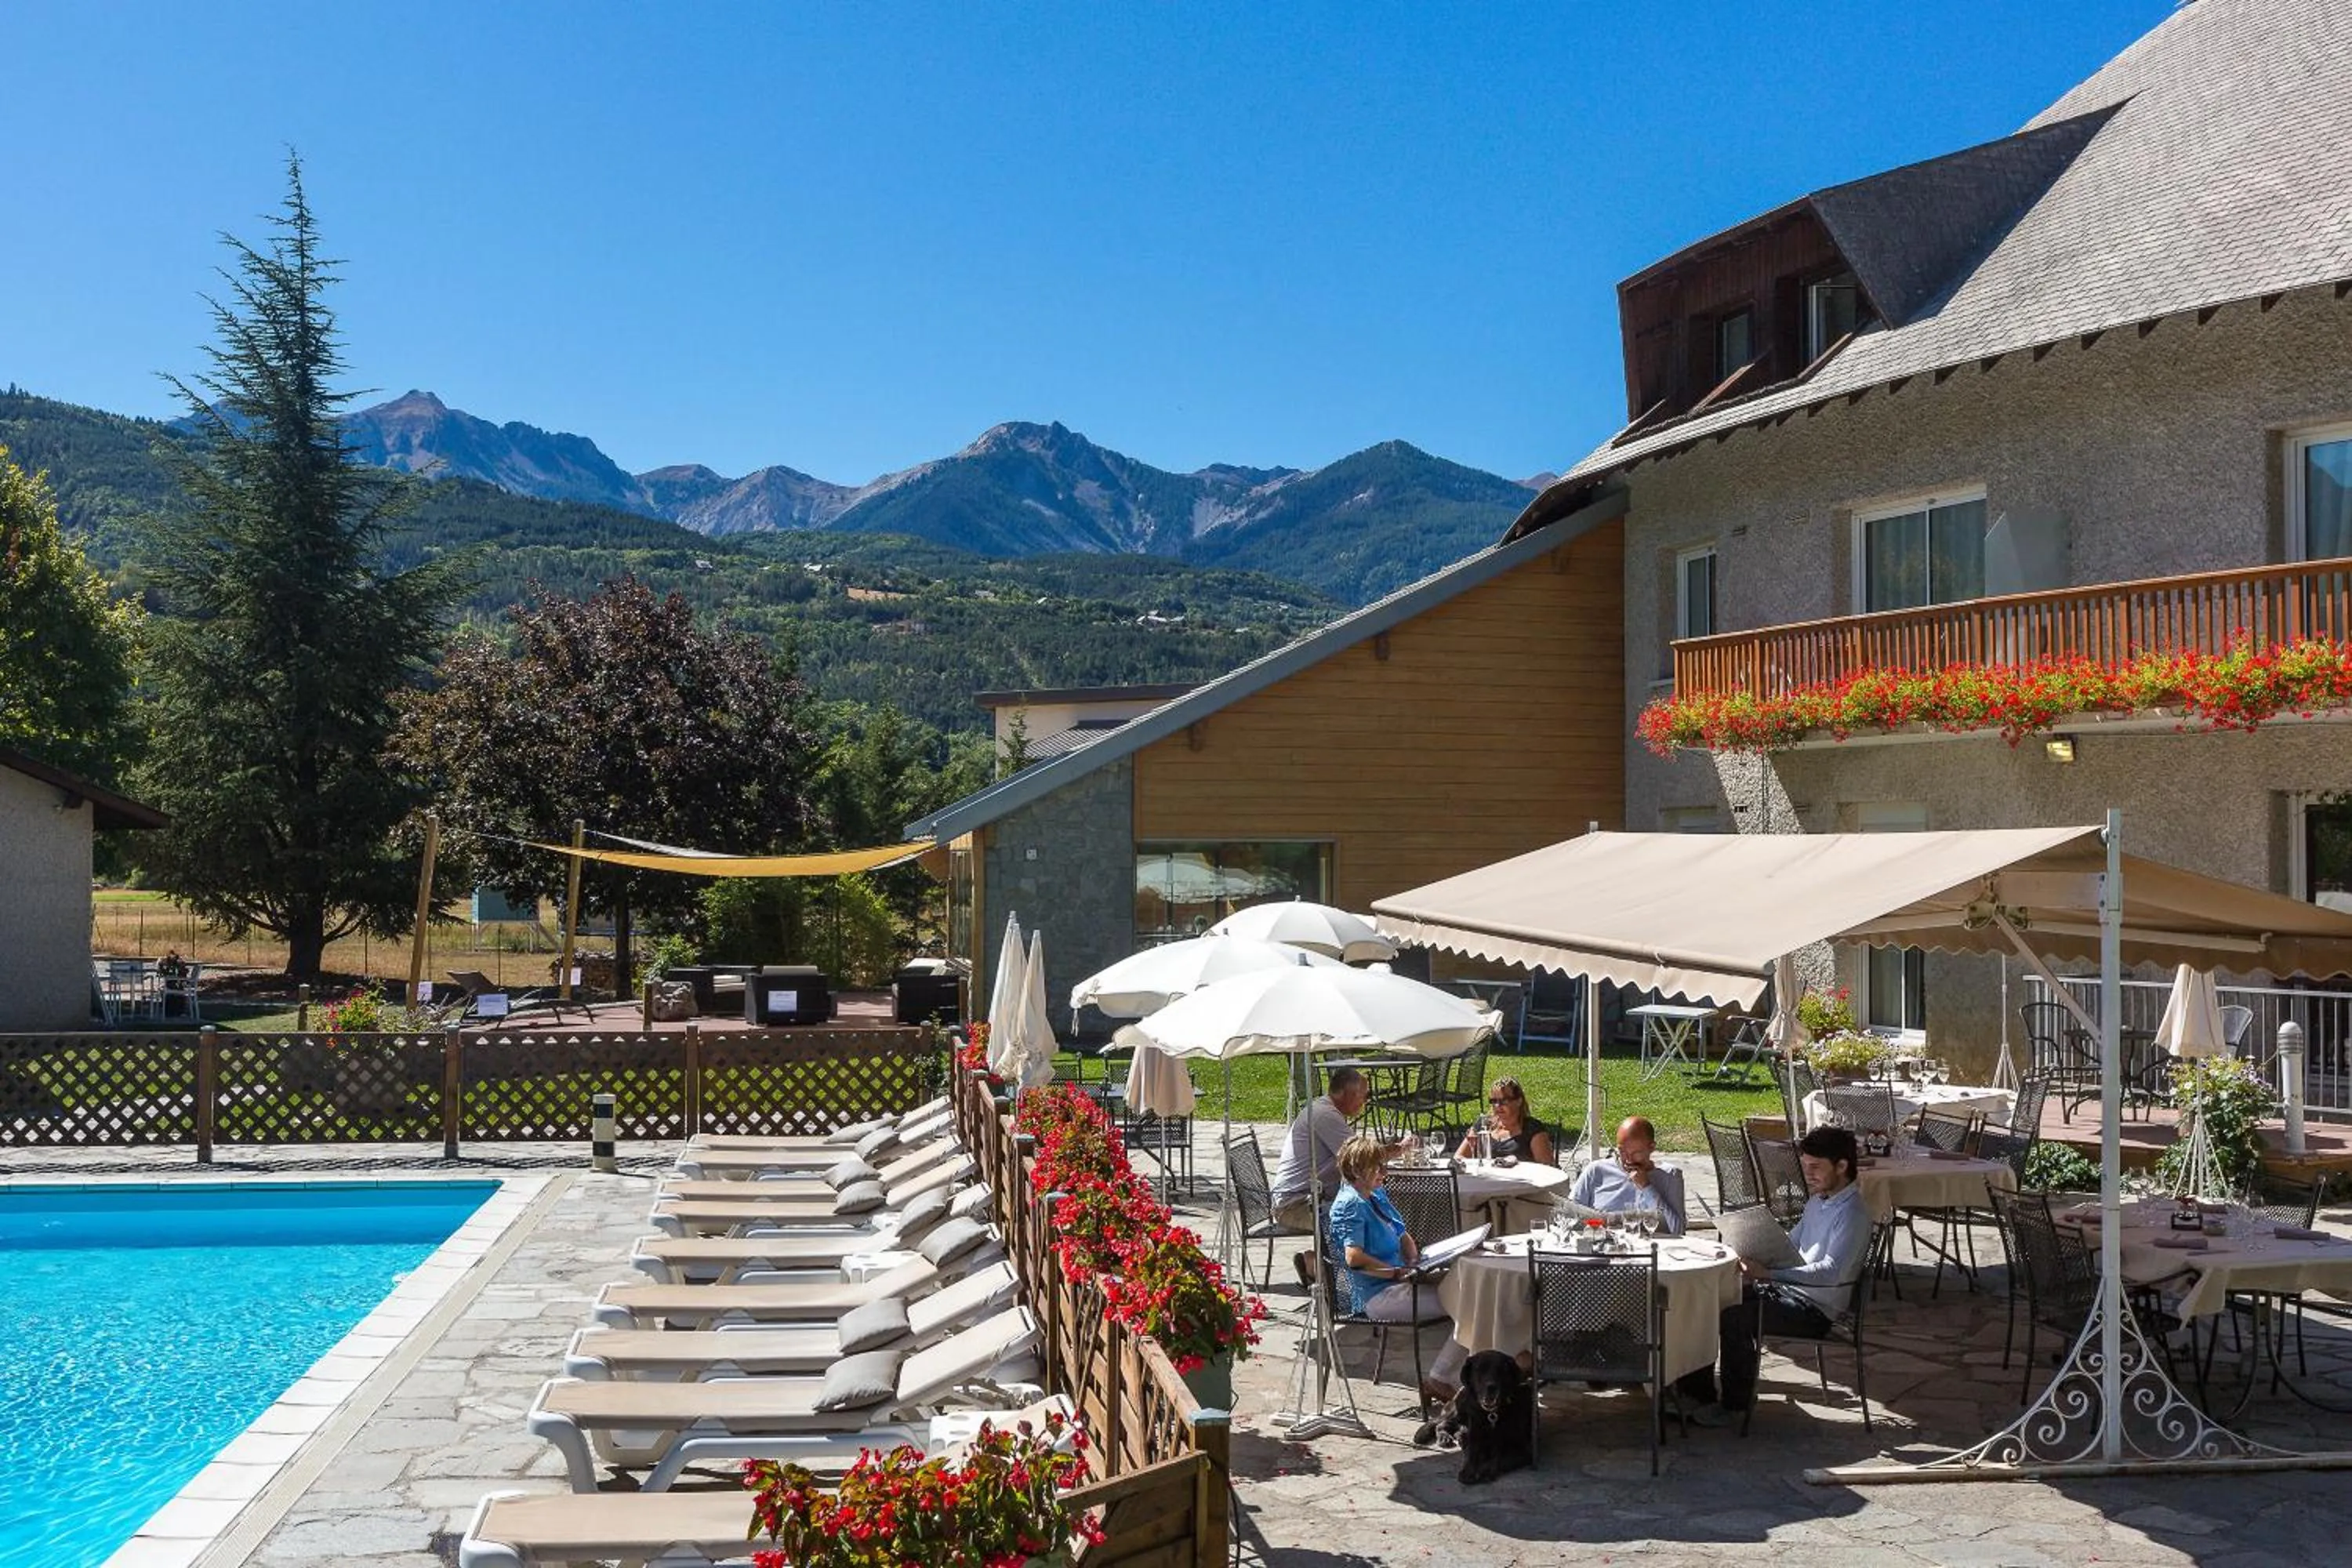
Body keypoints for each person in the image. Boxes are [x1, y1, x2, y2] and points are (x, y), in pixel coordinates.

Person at [1678, 1126, 1872, 1426]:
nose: (1808, 1174)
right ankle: (1695, 1393)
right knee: (1711, 1299)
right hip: (1790, 1292)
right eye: (1805, 1166)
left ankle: (1735, 1407)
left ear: (1842, 1166)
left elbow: (1831, 1272)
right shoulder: (1818, 1202)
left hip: (1816, 1309)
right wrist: (1750, 1245)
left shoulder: (1852, 1213)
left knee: (1734, 1317)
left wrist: (1770, 1273)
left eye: (1816, 1167)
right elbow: (1789, 1243)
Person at [1327, 1133, 1466, 1403]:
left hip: (1402, 1280)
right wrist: (1395, 1273)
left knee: (1466, 1287)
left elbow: (1400, 1232)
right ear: (1357, 1170)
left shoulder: (1374, 1193)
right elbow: (1354, 1257)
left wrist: (1415, 1260)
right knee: (1467, 1307)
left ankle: (1456, 1379)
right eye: (1377, 1167)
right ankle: (1441, 1379)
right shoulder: (1350, 1205)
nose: (1384, 1171)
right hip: (1380, 1295)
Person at [1271, 1067, 1374, 1236]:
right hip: (1296, 1207)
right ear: (1345, 1093)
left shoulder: (1325, 1110)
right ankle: (1320, 1261)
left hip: (1311, 1199)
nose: (1364, 1101)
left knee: (1371, 1209)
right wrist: (1396, 1150)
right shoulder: (1325, 1115)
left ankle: (1313, 1260)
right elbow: (1361, 1156)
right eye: (1362, 1095)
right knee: (1364, 1219)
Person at [1568, 1115, 1686, 1234]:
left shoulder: (1670, 1176)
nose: (1628, 1160)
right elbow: (1569, 1217)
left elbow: (1677, 1231)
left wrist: (1647, 1187)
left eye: (1636, 1153)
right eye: (1622, 1152)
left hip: (1653, 1249)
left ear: (1651, 1148)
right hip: (1605, 1248)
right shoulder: (1596, 1171)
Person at [1455, 1076, 1557, 1166]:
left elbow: (1547, 1167)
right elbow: (1459, 1157)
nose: (1497, 1106)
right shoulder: (1484, 1125)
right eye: (1493, 1101)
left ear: (1519, 1101)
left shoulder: (1532, 1129)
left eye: (1504, 1100)